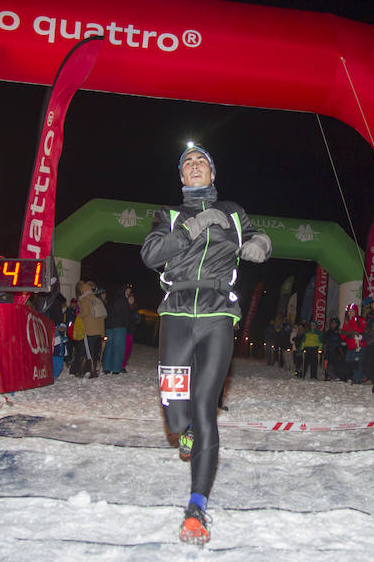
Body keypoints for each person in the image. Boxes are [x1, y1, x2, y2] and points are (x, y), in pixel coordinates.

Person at [140, 142, 271, 545]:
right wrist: (187, 230)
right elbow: (150, 254)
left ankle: (196, 508)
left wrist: (260, 245)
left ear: (212, 174)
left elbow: (256, 237)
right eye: (188, 164)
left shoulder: (232, 211)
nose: (195, 166)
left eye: (202, 162)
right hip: (177, 313)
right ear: (182, 177)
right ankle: (187, 431)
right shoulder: (169, 214)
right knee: (179, 419)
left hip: (217, 313)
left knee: (204, 406)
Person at [76, 280, 105, 378]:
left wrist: (78, 316)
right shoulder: (96, 299)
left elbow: (84, 313)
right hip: (98, 330)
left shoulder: (84, 300)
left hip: (89, 330)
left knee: (86, 350)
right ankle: (86, 371)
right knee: (93, 351)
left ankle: (88, 372)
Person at [102, 285, 131, 374]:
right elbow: (126, 315)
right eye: (127, 291)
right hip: (120, 327)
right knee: (119, 348)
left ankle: (106, 367)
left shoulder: (111, 300)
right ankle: (116, 368)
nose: (128, 293)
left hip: (109, 327)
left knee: (108, 347)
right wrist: (127, 326)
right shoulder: (123, 301)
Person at [341, 303, 367, 384]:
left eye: (352, 311)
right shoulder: (346, 322)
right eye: (349, 311)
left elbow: (366, 331)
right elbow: (343, 335)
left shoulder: (360, 320)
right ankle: (358, 377)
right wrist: (344, 338)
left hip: (359, 345)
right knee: (349, 362)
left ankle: (357, 380)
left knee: (357, 363)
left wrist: (360, 336)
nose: (350, 313)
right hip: (350, 346)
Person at [323, 316, 350, 381]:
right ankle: (328, 376)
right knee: (327, 364)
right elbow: (324, 339)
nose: (333, 324)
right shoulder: (328, 332)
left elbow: (345, 337)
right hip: (329, 351)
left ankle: (338, 376)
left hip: (337, 351)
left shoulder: (339, 331)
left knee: (336, 364)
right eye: (332, 323)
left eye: (335, 323)